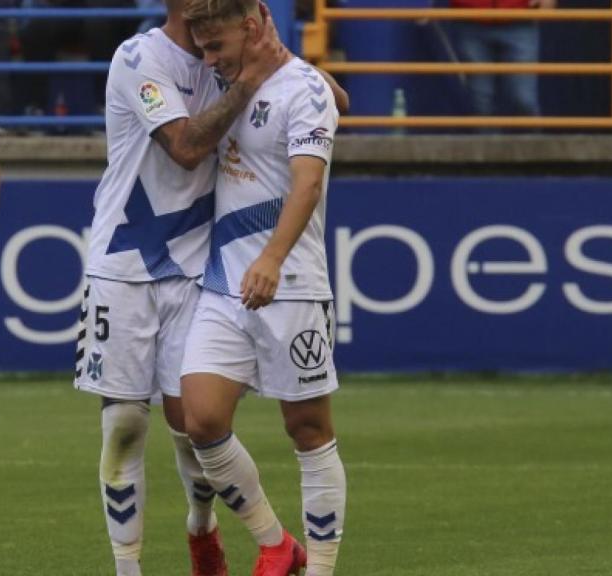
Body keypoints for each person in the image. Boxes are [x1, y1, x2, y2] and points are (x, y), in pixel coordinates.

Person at [73, 1, 347, 574]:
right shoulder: (141, 59)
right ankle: (131, 568)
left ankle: (207, 529)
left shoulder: (231, 52)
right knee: (124, 425)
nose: (210, 52)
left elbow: (333, 103)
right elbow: (188, 145)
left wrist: (284, 63)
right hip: (123, 260)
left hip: (199, 263)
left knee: (190, 425)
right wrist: (251, 75)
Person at [179, 0, 347, 574]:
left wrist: (273, 259)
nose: (209, 59)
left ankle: (321, 568)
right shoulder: (224, 85)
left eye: (216, 46)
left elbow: (309, 184)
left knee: (308, 428)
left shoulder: (304, 89)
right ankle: (277, 543)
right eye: (202, 48)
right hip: (225, 282)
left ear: (251, 28)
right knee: (200, 419)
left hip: (292, 283)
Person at [450, 0, 553, 117]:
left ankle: (528, 136)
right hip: (470, 19)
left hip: (520, 19)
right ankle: (488, 136)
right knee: (479, 101)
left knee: (523, 99)